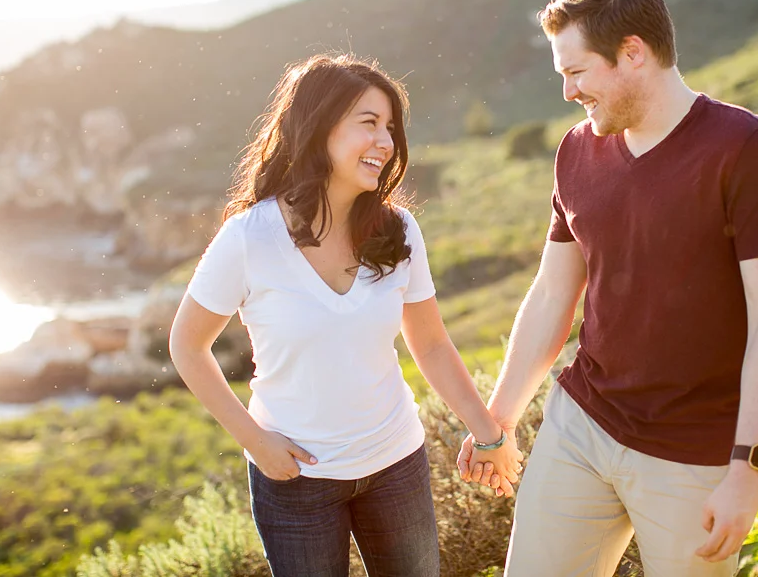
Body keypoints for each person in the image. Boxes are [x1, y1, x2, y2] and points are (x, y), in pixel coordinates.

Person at [458, 0, 758, 576]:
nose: (567, 93)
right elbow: (551, 296)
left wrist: (746, 472)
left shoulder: (748, 152)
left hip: (692, 454)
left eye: (576, 72)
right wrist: (499, 420)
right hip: (583, 424)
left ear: (633, 53)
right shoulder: (576, 150)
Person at [169, 54, 522, 577]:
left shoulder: (399, 230)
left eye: (391, 128)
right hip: (294, 483)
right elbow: (187, 346)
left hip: (396, 464)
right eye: (369, 123)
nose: (386, 141)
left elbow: (430, 345)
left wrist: (489, 435)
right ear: (319, 127)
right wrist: (258, 444)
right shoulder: (250, 237)